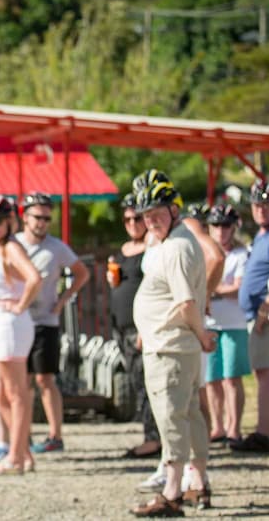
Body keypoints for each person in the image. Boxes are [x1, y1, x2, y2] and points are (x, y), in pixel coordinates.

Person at [130, 179, 215, 517]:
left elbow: (186, 302)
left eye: (156, 213)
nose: (150, 220)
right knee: (190, 413)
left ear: (174, 210)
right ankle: (198, 483)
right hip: (171, 343)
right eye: (146, 215)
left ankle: (172, 491)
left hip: (171, 345)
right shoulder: (175, 241)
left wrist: (202, 334)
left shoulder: (178, 247)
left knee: (171, 418)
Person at [16, 191, 90, 453]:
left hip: (46, 321)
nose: (43, 223)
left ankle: (55, 435)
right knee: (21, 382)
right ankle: (20, 436)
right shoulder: (13, 244)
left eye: (47, 218)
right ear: (25, 216)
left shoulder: (56, 247)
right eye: (38, 217)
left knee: (45, 379)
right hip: (18, 320)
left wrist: (63, 299)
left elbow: (82, 273)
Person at [0, 196, 41, 475]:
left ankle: (15, 456)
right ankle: (22, 452)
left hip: (10, 326)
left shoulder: (12, 247)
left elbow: (34, 278)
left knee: (15, 394)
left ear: (9, 221)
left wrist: (19, 305)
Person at [110, 194, 160, 460]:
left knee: (147, 383)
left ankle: (154, 439)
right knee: (135, 381)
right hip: (121, 326)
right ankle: (149, 434)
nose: (131, 222)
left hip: (140, 328)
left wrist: (144, 327)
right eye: (127, 218)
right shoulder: (125, 248)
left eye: (137, 218)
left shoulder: (152, 248)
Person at [205, 204, 249, 444]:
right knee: (212, 378)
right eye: (216, 225)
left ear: (234, 228)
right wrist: (221, 289)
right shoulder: (204, 254)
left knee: (232, 377)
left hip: (234, 323)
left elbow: (238, 289)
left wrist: (213, 289)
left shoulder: (241, 255)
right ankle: (217, 425)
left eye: (225, 225)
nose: (221, 230)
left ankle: (234, 426)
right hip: (210, 322)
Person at [233, 179, 269, 453]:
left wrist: (264, 310)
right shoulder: (259, 236)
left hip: (264, 316)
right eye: (257, 204)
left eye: (266, 204)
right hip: (254, 314)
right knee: (261, 374)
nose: (261, 210)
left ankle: (263, 432)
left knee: (265, 375)